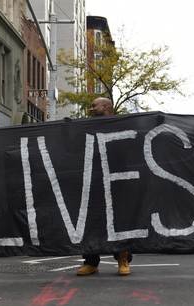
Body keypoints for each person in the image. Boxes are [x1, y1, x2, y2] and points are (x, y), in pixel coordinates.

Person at [76, 97, 134, 276]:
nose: (91, 108)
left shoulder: (121, 125)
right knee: (91, 222)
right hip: (93, 183)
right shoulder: (86, 127)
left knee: (119, 222)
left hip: (117, 182)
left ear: (107, 107)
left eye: (95, 105)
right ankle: (91, 261)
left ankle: (122, 258)